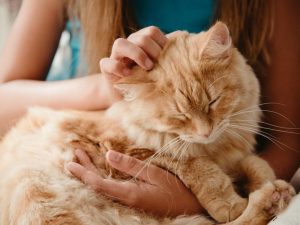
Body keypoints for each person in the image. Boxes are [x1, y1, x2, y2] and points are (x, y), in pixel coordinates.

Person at [0, 0, 299, 217]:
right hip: (71, 134)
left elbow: (289, 138)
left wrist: (193, 199)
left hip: (199, 173)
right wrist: (107, 89)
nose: (202, 129)